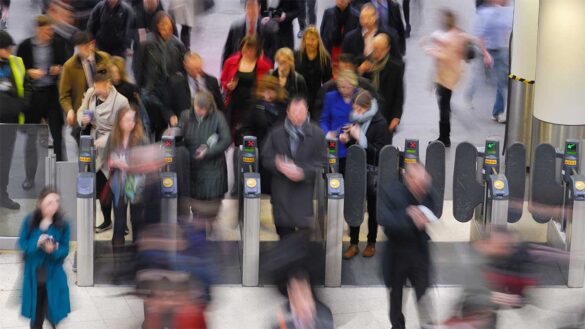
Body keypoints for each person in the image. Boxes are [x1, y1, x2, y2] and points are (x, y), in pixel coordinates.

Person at [378, 163, 441, 329]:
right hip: (396, 254)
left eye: (424, 184)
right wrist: (409, 216)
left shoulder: (428, 191)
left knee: (424, 294)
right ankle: (397, 325)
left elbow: (435, 208)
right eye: (418, 184)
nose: (422, 189)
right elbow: (386, 221)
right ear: (408, 179)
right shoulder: (391, 192)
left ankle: (428, 325)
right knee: (396, 296)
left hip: (419, 252)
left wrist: (425, 216)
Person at [421, 10, 490, 147]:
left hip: (446, 78)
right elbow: (475, 40)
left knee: (444, 107)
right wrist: (486, 53)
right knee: (444, 104)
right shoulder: (458, 34)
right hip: (450, 76)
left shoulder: (450, 38)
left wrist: (429, 49)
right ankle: (444, 135)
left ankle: (444, 137)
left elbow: (444, 56)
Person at [262, 97, 327, 237]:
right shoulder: (276, 133)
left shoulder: (317, 134)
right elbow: (265, 157)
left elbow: (322, 162)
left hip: (303, 197)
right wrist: (278, 165)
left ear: (307, 111)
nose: (298, 116)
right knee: (284, 236)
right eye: (294, 112)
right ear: (287, 112)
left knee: (302, 240)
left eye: (301, 112)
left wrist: (303, 172)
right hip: (281, 196)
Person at [17, 15, 68, 193]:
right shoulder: (24, 47)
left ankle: (61, 173)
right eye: (46, 31)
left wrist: (59, 69)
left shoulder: (58, 44)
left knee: (58, 135)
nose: (49, 34)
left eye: (51, 31)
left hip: (52, 94)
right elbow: (18, 70)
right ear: (38, 30)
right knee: (30, 138)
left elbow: (65, 64)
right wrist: (28, 73)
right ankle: (29, 177)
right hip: (34, 96)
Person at [339, 90, 391, 259]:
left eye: (359, 109)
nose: (356, 112)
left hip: (373, 172)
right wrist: (348, 141)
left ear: (367, 108)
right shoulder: (355, 120)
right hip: (356, 170)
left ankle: (371, 242)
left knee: (373, 209)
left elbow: (379, 153)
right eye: (354, 108)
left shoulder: (380, 123)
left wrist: (360, 138)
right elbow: (354, 150)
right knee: (355, 205)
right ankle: (353, 243)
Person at [77, 72, 130, 233]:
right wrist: (82, 119)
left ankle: (122, 223)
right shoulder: (91, 94)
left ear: (108, 84)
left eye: (99, 86)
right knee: (101, 186)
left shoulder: (121, 101)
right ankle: (107, 220)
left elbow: (125, 127)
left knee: (118, 186)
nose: (96, 89)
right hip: (96, 145)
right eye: (94, 86)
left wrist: (107, 138)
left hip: (115, 145)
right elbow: (81, 110)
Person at [18, 187, 71, 329]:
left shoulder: (63, 224)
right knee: (36, 320)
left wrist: (53, 250)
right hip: (34, 279)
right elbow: (23, 244)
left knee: (53, 316)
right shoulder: (29, 221)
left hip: (53, 279)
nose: (54, 206)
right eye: (49, 202)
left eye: (57, 202)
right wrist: (37, 242)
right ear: (40, 203)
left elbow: (65, 250)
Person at [178, 91, 231, 227]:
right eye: (197, 108)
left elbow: (226, 140)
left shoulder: (218, 117)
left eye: (203, 109)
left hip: (213, 170)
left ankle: (210, 227)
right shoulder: (185, 116)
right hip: (193, 168)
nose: (200, 111)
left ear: (209, 108)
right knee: (196, 208)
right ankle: (200, 232)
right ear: (193, 104)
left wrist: (208, 152)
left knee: (211, 208)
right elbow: (179, 138)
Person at [136, 11, 186, 140]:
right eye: (162, 26)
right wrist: (139, 88)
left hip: (169, 92)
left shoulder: (178, 45)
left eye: (169, 26)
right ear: (156, 26)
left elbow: (182, 70)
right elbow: (138, 68)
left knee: (165, 125)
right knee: (150, 124)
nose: (166, 29)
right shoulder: (146, 43)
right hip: (150, 91)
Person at [105, 105, 147, 249]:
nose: (131, 123)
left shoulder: (141, 138)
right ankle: (118, 253)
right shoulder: (113, 137)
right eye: (127, 120)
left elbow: (146, 162)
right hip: (118, 183)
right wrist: (115, 162)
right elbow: (107, 160)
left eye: (133, 120)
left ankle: (137, 252)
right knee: (119, 220)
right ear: (120, 122)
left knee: (137, 219)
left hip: (135, 183)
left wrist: (132, 165)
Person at [220, 35, 272, 144]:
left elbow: (269, 85)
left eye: (251, 50)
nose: (248, 52)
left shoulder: (265, 65)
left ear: (257, 51)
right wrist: (228, 85)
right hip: (235, 102)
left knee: (249, 132)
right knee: (234, 131)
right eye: (245, 49)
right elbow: (223, 80)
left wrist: (265, 92)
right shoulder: (230, 62)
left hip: (254, 103)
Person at [59, 31, 111, 134]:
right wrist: (69, 110)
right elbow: (64, 95)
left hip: (104, 111)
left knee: (103, 145)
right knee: (85, 147)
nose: (81, 51)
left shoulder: (105, 58)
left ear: (92, 44)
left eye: (85, 47)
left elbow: (113, 81)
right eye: (79, 48)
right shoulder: (69, 66)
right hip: (82, 113)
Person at [0, 30, 27, 210]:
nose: (10, 50)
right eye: (6, 48)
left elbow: (26, 87)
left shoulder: (16, 63)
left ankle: (2, 195)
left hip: (10, 123)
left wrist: (19, 105)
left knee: (5, 161)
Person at [474, 0, 513, 123]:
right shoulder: (485, 13)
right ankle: (498, 112)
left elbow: (507, 30)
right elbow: (480, 36)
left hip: (501, 51)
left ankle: (498, 112)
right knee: (490, 80)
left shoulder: (503, 12)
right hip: (490, 51)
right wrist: (486, 54)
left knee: (501, 82)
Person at [358, 34, 404, 138]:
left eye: (380, 50)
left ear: (387, 49)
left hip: (385, 115)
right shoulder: (366, 63)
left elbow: (399, 95)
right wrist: (360, 71)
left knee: (384, 150)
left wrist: (396, 116)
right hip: (366, 115)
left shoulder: (396, 68)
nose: (376, 53)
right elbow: (354, 86)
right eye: (374, 49)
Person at [164, 52, 224, 129]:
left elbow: (220, 105)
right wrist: (171, 116)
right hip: (186, 124)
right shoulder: (175, 83)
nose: (196, 72)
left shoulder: (212, 81)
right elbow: (166, 106)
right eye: (192, 69)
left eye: (198, 69)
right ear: (185, 66)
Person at [249, 75, 287, 195]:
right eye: (266, 91)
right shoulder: (256, 106)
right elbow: (254, 125)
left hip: (280, 147)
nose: (269, 94)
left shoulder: (284, 106)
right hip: (262, 147)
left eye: (272, 91)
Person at [313, 53, 379, 121]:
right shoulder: (328, 88)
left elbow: (377, 104)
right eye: (343, 70)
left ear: (354, 69)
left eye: (348, 70)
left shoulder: (365, 86)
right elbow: (318, 113)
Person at [319, 69, 359, 173]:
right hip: (334, 142)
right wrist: (327, 133)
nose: (344, 90)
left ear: (354, 86)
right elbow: (324, 119)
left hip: (352, 142)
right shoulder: (331, 97)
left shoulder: (360, 96)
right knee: (333, 174)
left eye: (347, 87)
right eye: (341, 87)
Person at [222, 0, 275, 66]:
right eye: (249, 7)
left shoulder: (268, 29)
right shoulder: (235, 28)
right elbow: (227, 52)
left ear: (259, 8)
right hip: (238, 68)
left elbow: (271, 54)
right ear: (245, 9)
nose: (251, 10)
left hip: (260, 69)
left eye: (254, 7)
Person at [295, 26, 332, 115]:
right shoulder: (296, 55)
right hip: (299, 95)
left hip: (317, 96)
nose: (310, 42)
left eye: (313, 39)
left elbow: (327, 81)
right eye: (307, 39)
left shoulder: (325, 58)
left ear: (318, 41)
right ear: (304, 40)